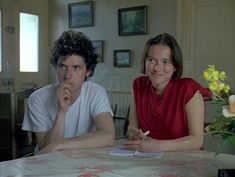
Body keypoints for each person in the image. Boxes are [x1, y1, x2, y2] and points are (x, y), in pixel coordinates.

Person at [22, 30, 115, 154]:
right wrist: (61, 112)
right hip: (48, 165)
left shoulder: (96, 92)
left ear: (88, 71)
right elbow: (46, 150)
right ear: (56, 67)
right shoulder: (38, 98)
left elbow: (108, 136)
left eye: (76, 68)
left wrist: (61, 144)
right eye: (62, 66)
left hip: (83, 160)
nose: (67, 76)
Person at [124, 33, 212, 152]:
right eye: (151, 60)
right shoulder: (138, 85)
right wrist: (134, 134)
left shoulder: (189, 89)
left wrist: (157, 146)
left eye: (165, 61)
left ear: (175, 65)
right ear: (144, 62)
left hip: (186, 160)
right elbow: (132, 127)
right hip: (147, 158)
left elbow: (197, 140)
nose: (157, 68)